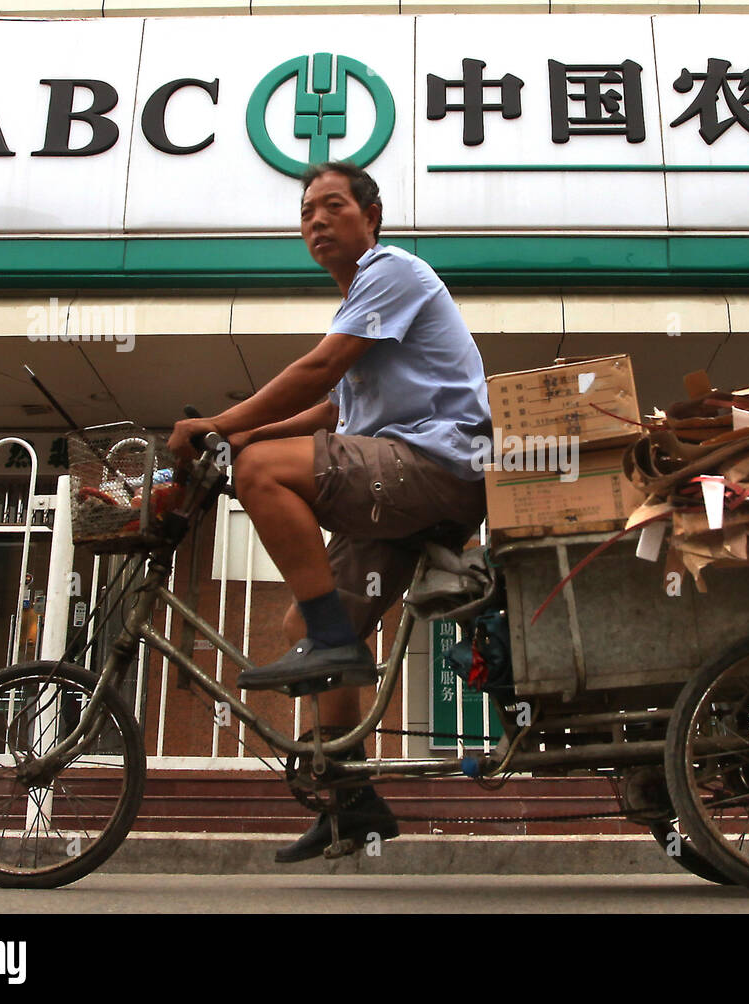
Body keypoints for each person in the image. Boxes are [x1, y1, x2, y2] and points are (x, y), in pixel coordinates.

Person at [168, 160, 491, 862]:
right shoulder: (364, 310)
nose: (316, 219)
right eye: (307, 211)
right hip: (407, 483)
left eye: (333, 206)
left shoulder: (392, 272)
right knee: (308, 623)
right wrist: (246, 433)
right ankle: (354, 802)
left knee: (263, 478)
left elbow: (318, 369)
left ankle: (332, 641)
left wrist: (223, 428)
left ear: (369, 219)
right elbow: (332, 405)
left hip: (438, 468)